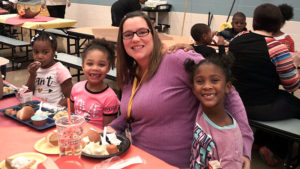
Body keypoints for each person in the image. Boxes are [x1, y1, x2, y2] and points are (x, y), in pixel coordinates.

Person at [108, 11, 253, 169]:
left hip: (175, 163)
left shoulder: (177, 58)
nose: (135, 38)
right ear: (122, 41)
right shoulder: (130, 72)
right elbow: (135, 111)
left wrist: (244, 146)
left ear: (153, 34)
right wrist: (112, 128)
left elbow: (229, 93)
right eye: (128, 34)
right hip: (138, 159)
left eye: (142, 32)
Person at [229, 3, 300, 166]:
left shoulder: (236, 40)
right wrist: (294, 64)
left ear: (254, 21)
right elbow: (291, 86)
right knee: (293, 104)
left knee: (283, 99)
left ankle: (259, 140)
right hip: (262, 105)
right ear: (278, 24)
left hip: (236, 102)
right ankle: (275, 149)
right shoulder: (276, 46)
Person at [186, 53, 243, 169]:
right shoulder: (202, 109)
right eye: (200, 81)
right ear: (193, 88)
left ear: (227, 87)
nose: (207, 86)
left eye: (215, 80)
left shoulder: (230, 141)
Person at [70, 39, 120, 128]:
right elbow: (71, 115)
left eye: (101, 65)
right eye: (90, 64)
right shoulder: (76, 88)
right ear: (83, 65)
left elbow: (107, 131)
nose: (95, 68)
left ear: (108, 68)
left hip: (96, 140)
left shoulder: (110, 97)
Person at [26, 31, 73, 107]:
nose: (40, 56)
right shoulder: (35, 69)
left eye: (45, 52)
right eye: (36, 52)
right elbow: (28, 93)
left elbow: (70, 97)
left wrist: (54, 109)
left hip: (53, 111)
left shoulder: (60, 70)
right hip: (36, 108)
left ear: (54, 52)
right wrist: (32, 75)